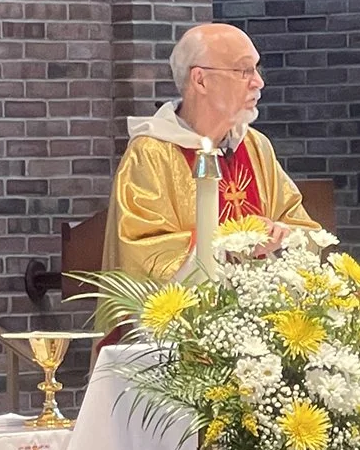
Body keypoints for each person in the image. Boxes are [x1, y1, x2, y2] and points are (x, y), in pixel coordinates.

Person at [103, 22, 319, 277]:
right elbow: (142, 254)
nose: (258, 82)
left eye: (257, 69)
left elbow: (305, 230)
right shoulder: (151, 154)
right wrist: (231, 244)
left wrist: (281, 235)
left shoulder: (255, 145)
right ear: (200, 80)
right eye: (244, 70)